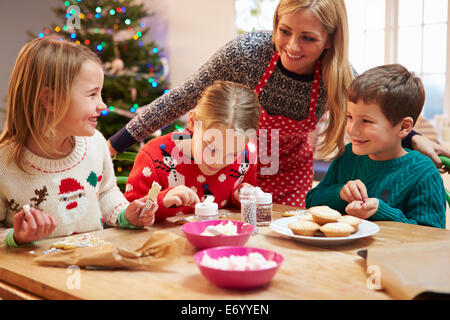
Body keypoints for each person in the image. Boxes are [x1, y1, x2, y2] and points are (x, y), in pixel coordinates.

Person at [108, 0, 449, 207]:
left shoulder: (337, 74)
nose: (292, 46)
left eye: (308, 38)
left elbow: (370, 112)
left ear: (330, 41)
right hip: (233, 166)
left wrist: (414, 138)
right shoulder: (247, 54)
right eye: (285, 31)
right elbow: (182, 96)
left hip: (290, 173)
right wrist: (116, 142)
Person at [0, 37, 157, 248]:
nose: (102, 106)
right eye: (92, 94)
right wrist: (16, 237)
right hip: (35, 278)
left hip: (92, 270)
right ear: (50, 100)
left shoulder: (95, 144)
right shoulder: (4, 166)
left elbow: (105, 193)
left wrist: (125, 215)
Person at [305, 64, 446, 229]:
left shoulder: (424, 172)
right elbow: (312, 201)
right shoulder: (348, 155)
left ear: (403, 127)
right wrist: (340, 193)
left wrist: (381, 211)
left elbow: (432, 236)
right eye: (350, 117)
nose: (352, 129)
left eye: (366, 121)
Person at [124, 80, 260, 221]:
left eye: (232, 154)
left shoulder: (247, 155)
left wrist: (242, 197)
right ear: (192, 122)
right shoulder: (154, 156)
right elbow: (126, 216)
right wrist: (161, 201)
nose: (217, 162)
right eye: (212, 148)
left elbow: (237, 210)